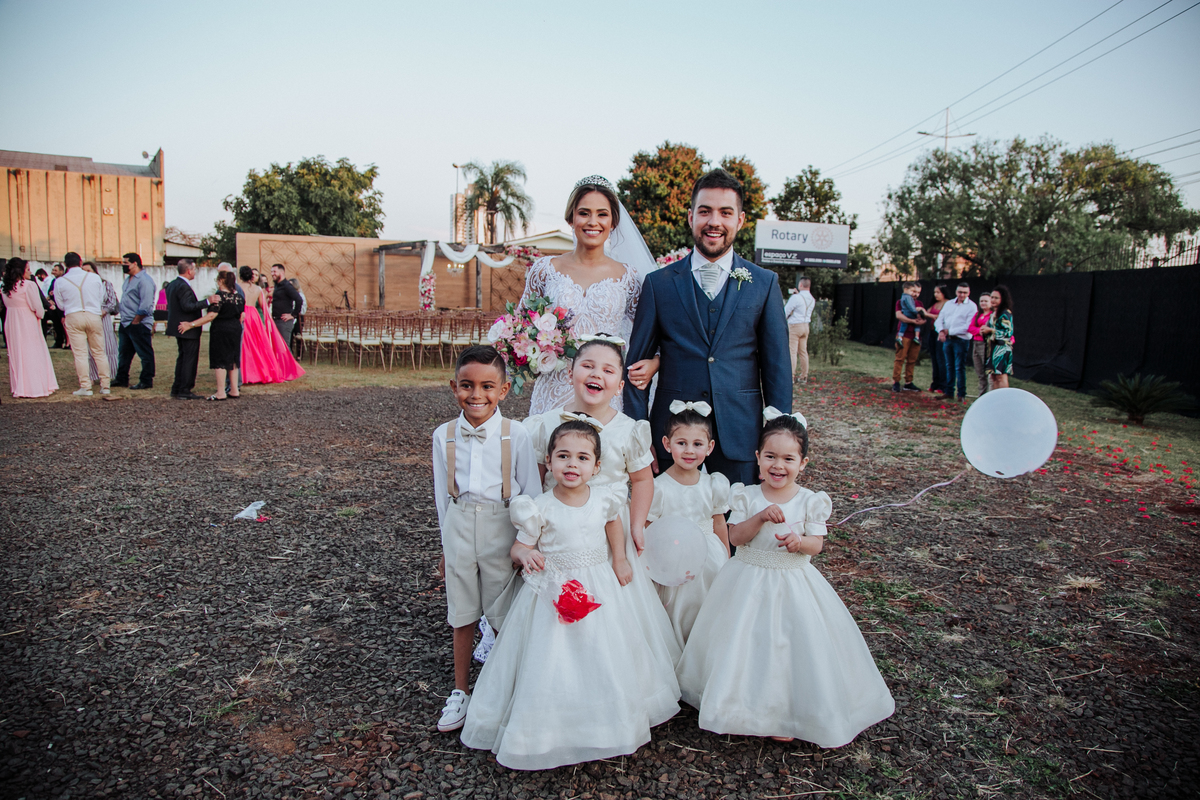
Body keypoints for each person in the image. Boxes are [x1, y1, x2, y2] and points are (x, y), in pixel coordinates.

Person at [460, 419, 681, 770]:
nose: (572, 464)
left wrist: (620, 559)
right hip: (554, 588)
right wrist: (525, 555)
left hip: (598, 583)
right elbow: (520, 546)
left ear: (596, 466)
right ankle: (553, 725)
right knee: (553, 656)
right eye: (563, 456)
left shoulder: (604, 499)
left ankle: (605, 720)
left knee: (603, 648)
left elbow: (613, 524)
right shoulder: (539, 507)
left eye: (582, 458)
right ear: (549, 462)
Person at [676, 410, 895, 746]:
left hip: (792, 581)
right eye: (771, 457)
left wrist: (798, 542)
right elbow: (735, 537)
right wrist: (761, 517)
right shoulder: (747, 495)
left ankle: (786, 712)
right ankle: (736, 706)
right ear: (758, 458)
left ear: (803, 463)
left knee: (786, 646)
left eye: (788, 459)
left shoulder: (810, 501)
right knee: (743, 642)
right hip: (746, 579)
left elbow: (817, 544)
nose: (778, 465)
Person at [624, 169, 792, 486]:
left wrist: (778, 445)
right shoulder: (659, 284)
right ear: (691, 217)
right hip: (671, 439)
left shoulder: (765, 284)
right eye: (705, 211)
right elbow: (635, 369)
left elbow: (777, 370)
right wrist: (639, 435)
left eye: (725, 212)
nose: (714, 221)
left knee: (735, 518)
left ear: (740, 220)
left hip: (741, 438)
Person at [431, 345, 541, 733]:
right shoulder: (443, 435)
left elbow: (531, 493)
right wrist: (446, 547)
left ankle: (503, 690)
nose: (476, 394)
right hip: (459, 525)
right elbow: (442, 497)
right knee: (461, 611)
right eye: (466, 385)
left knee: (503, 610)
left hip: (502, 526)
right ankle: (460, 691)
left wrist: (527, 543)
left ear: (504, 389)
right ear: (454, 387)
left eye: (487, 386)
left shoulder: (517, 434)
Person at [520, 176, 657, 414]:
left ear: (613, 221)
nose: (593, 222)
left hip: (604, 393)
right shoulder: (544, 270)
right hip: (553, 391)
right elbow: (521, 326)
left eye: (602, 214)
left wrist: (655, 362)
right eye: (584, 213)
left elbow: (651, 333)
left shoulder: (629, 277)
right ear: (571, 218)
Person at [645, 400, 730, 644]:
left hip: (709, 558)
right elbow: (649, 528)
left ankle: (703, 649)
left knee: (708, 606)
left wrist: (727, 558)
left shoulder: (713, 484)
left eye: (697, 444)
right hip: (673, 558)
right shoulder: (658, 487)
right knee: (678, 607)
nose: (689, 451)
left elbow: (719, 523)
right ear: (667, 444)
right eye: (681, 443)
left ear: (710, 447)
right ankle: (678, 647)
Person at [178, 269, 245, 400]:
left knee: (220, 360)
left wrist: (191, 324)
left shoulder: (219, 296)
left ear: (221, 281)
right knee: (233, 358)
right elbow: (241, 315)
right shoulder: (239, 297)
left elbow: (211, 316)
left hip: (221, 329)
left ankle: (220, 392)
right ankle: (234, 389)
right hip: (235, 328)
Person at [53, 252, 111, 397]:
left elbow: (60, 304)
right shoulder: (94, 277)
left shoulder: (60, 281)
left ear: (65, 264)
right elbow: (101, 297)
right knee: (99, 352)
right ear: (80, 262)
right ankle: (105, 385)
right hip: (93, 315)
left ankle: (85, 386)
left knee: (80, 354)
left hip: (73, 315)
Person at [2, 258, 58, 397]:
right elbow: (37, 307)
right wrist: (41, 314)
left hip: (11, 321)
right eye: (28, 269)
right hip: (27, 321)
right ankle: (34, 386)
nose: (30, 272)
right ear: (20, 271)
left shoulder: (5, 287)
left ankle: (20, 386)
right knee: (32, 352)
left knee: (17, 353)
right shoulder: (28, 285)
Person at [165, 259, 212, 400]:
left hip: (178, 327)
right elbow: (187, 306)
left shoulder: (172, 284)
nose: (195, 272)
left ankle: (177, 387)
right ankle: (185, 389)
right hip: (187, 328)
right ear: (189, 271)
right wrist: (207, 302)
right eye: (194, 269)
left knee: (182, 357)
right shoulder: (183, 286)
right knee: (189, 359)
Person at [113, 253, 156, 390]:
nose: (123, 265)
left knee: (144, 353)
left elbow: (146, 304)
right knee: (124, 353)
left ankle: (146, 380)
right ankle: (121, 378)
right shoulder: (128, 280)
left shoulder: (144, 281)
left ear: (135, 263)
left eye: (126, 263)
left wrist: (136, 321)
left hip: (138, 323)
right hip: (126, 322)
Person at [934, 282, 978, 402]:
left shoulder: (972, 306)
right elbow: (939, 319)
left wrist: (949, 331)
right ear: (956, 292)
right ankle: (949, 391)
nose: (962, 295)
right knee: (949, 366)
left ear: (969, 293)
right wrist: (941, 331)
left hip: (961, 340)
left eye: (965, 292)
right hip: (948, 339)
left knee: (959, 367)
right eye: (960, 292)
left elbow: (968, 326)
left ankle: (961, 394)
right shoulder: (949, 304)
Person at [237, 266, 281, 384]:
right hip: (254, 315)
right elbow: (263, 306)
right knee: (256, 344)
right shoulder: (258, 289)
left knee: (243, 344)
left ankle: (244, 374)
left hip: (242, 313)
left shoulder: (237, 287)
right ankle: (258, 371)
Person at [80, 261, 119, 386]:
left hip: (103, 317)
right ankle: (92, 375)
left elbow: (112, 301)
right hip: (87, 316)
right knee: (89, 347)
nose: (86, 274)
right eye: (84, 271)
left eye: (88, 271)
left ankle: (111, 374)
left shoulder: (105, 284)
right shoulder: (80, 285)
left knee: (108, 346)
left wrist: (104, 311)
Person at [891, 281, 924, 392]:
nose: (916, 294)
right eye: (914, 291)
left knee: (912, 360)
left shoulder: (919, 303)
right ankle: (896, 381)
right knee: (900, 358)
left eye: (918, 292)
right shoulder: (901, 301)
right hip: (904, 334)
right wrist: (913, 321)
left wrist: (921, 320)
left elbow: (923, 318)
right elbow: (899, 316)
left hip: (915, 335)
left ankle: (908, 382)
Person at [981, 285, 1014, 390]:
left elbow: (1007, 333)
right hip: (992, 349)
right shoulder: (993, 313)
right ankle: (995, 398)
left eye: (996, 298)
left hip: (1002, 350)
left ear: (1002, 299)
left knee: (1001, 377)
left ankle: (1004, 398)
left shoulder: (1005, 314)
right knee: (993, 377)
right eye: (992, 297)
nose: (993, 300)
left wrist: (990, 330)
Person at [784, 276, 815, 383]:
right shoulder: (812, 299)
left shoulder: (796, 298)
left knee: (792, 351)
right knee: (803, 352)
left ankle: (791, 376)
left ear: (800, 285)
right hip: (805, 325)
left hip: (795, 326)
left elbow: (786, 311)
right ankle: (804, 376)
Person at [269, 264, 302, 352]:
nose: (272, 274)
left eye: (274, 271)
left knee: (284, 347)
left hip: (283, 322)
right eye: (271, 272)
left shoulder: (287, 286)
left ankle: (288, 362)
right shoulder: (277, 285)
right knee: (277, 347)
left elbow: (299, 299)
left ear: (282, 272)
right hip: (276, 320)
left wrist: (293, 315)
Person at [923, 285, 949, 394]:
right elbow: (926, 313)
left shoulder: (948, 304)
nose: (936, 295)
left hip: (941, 333)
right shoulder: (934, 304)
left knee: (940, 358)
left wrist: (929, 315)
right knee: (934, 359)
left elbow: (943, 317)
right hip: (932, 333)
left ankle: (943, 385)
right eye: (935, 292)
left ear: (944, 293)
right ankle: (935, 383)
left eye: (938, 292)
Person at [967, 291, 993, 398]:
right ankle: (981, 395)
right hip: (976, 343)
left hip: (986, 344)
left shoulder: (992, 315)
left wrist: (983, 330)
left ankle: (990, 395)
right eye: (981, 301)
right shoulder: (978, 315)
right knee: (979, 372)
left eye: (986, 301)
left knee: (988, 372)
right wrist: (979, 330)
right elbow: (970, 328)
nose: (983, 303)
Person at [46, 263, 68, 348]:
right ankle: (59, 342)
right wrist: (50, 299)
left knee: (64, 325)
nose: (53, 272)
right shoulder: (53, 281)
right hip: (55, 307)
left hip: (62, 307)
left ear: (61, 271)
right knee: (57, 325)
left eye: (56, 270)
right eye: (53, 270)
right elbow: (49, 293)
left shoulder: (65, 280)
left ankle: (67, 342)